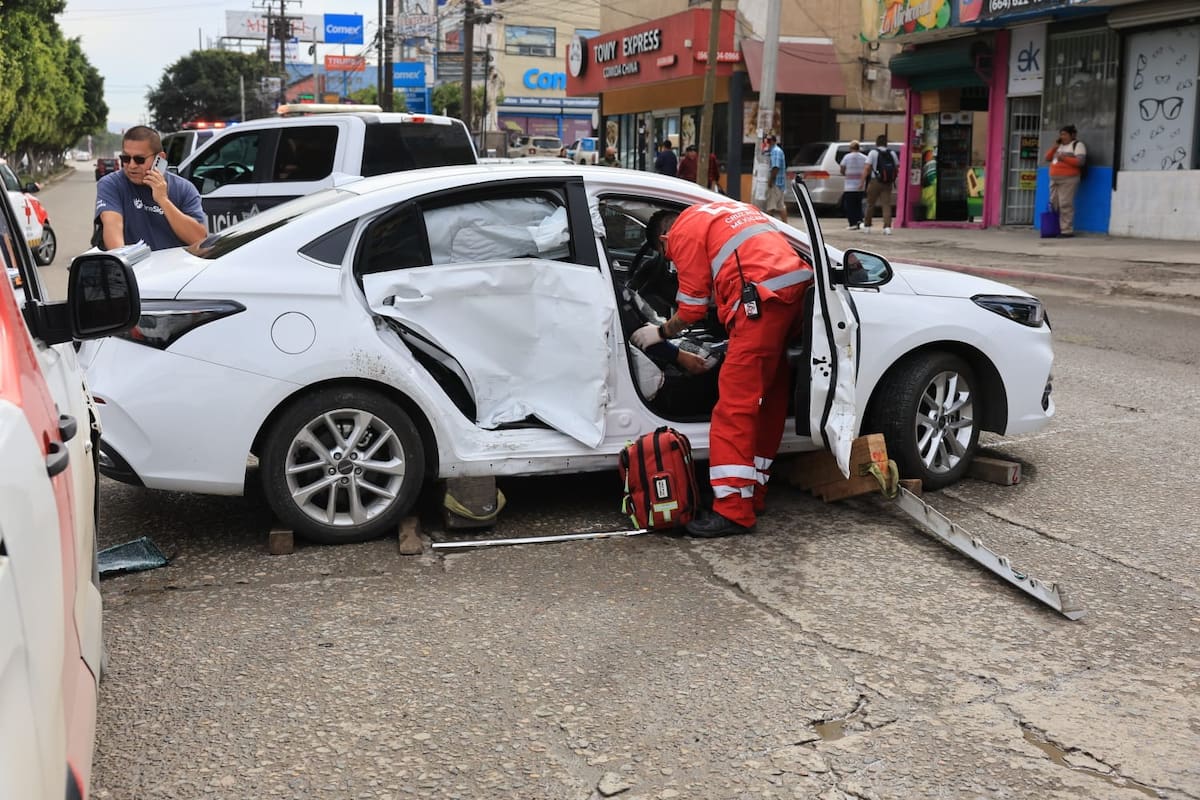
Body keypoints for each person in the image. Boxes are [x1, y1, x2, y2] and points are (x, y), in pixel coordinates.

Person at [630, 200, 813, 537]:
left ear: (664, 239)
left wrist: (660, 333)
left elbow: (693, 309)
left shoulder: (681, 234)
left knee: (734, 408)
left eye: (667, 257)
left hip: (760, 301)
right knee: (769, 399)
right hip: (796, 292)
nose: (671, 264)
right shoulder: (726, 211)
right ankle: (753, 492)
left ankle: (732, 510)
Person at [96, 126, 206, 251]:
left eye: (139, 160)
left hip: (176, 268)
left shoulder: (184, 188)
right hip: (133, 267)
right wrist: (124, 263)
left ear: (160, 158)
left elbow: (199, 239)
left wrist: (163, 200)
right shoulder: (111, 184)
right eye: (125, 159)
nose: (131, 165)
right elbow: (113, 228)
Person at [1045, 125, 1086, 238]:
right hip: (1054, 179)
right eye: (1061, 134)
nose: (1062, 137)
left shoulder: (1077, 145)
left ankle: (1067, 230)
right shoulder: (1059, 146)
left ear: (1072, 135)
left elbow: (1080, 162)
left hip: (1068, 179)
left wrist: (1063, 158)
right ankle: (1053, 228)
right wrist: (1055, 147)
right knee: (1053, 203)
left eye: (1065, 134)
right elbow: (1048, 158)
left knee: (1065, 204)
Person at [862, 135, 896, 234]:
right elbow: (896, 166)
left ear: (877, 143)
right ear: (886, 143)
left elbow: (867, 167)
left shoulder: (873, 153)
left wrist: (862, 181)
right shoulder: (892, 153)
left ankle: (867, 226)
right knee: (886, 205)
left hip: (875, 181)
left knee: (870, 204)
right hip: (887, 182)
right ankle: (887, 227)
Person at [839, 140, 869, 230]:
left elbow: (842, 168)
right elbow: (868, 169)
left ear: (850, 148)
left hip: (849, 186)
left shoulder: (847, 157)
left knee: (850, 206)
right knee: (859, 205)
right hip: (860, 185)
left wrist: (845, 173)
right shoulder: (864, 157)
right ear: (858, 148)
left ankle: (853, 223)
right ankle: (860, 221)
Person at [763, 134, 789, 223]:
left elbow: (775, 167)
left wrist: (771, 180)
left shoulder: (775, 151)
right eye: (767, 141)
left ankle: (768, 225)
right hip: (780, 183)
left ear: (773, 141)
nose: (768, 143)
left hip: (776, 183)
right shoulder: (775, 151)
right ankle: (786, 225)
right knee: (780, 205)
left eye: (769, 141)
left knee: (770, 206)